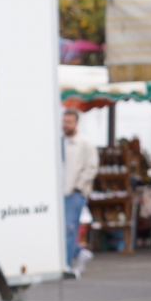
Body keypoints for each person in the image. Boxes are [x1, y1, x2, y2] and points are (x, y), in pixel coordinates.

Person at [62, 109, 97, 276]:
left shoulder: (85, 143)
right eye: (64, 121)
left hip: (74, 191)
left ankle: (67, 263)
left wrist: (79, 186)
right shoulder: (60, 141)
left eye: (69, 122)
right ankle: (79, 252)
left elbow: (92, 166)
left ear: (76, 123)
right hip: (60, 192)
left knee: (69, 227)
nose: (65, 125)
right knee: (62, 228)